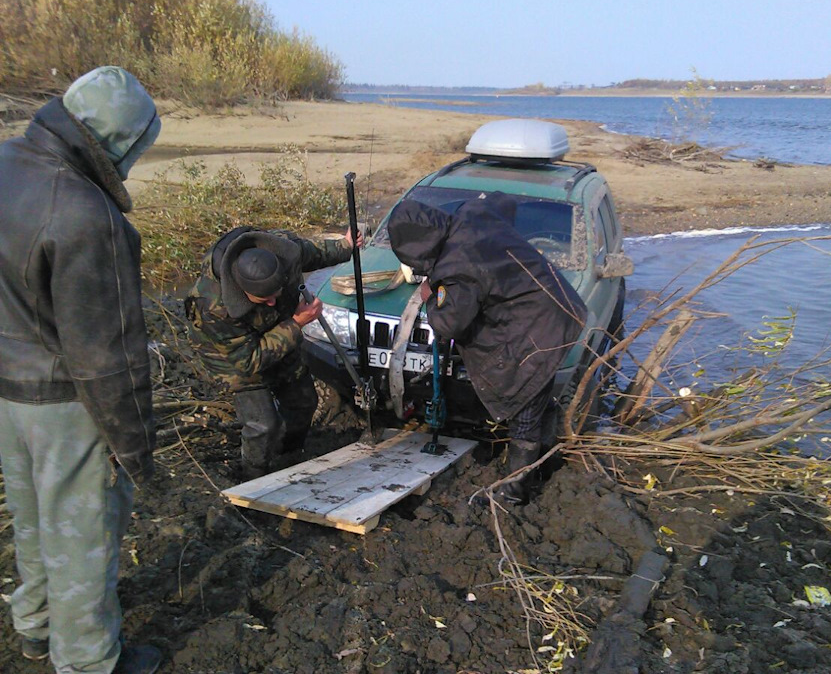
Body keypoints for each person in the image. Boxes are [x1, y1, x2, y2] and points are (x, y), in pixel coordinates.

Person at [0, 67, 162, 673]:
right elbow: (107, 356)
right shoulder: (89, 215)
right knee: (82, 537)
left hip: (7, 387)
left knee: (32, 518)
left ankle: (36, 624)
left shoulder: (6, 163)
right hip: (67, 402)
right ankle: (89, 661)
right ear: (122, 143)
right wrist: (133, 446)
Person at [388, 192, 587, 503]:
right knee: (539, 397)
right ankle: (547, 461)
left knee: (524, 407)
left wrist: (430, 297)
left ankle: (513, 495)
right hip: (556, 302)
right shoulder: (472, 212)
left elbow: (450, 324)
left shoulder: (458, 266)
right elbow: (503, 202)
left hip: (538, 329)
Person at [184, 226, 361, 477]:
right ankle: (253, 475)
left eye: (276, 293)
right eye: (264, 299)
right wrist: (296, 324)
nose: (272, 302)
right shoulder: (212, 307)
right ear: (242, 292)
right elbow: (249, 361)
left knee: (304, 402)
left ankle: (289, 456)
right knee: (263, 425)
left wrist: (345, 246)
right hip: (232, 355)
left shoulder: (284, 251)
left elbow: (312, 253)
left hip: (280, 328)